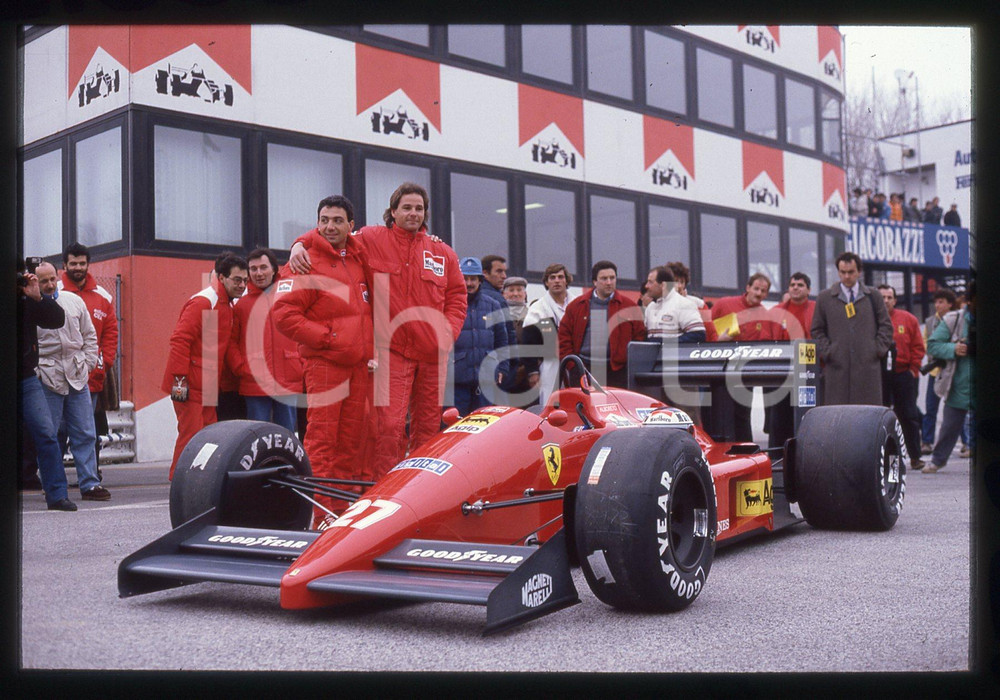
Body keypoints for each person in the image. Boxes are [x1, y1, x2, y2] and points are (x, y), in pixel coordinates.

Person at [288, 182, 466, 479]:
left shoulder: (442, 252)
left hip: (433, 355)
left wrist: (449, 334)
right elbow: (335, 231)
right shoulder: (370, 239)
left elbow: (458, 297)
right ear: (392, 211)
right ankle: (387, 491)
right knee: (389, 428)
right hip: (392, 350)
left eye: (418, 208)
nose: (413, 213)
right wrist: (299, 243)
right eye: (406, 207)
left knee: (427, 428)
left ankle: (421, 492)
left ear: (426, 213)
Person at [272, 196, 375, 526]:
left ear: (351, 225)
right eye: (324, 219)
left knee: (351, 443)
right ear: (316, 223)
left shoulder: (359, 258)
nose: (330, 226)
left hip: (358, 367)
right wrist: (329, 338)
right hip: (325, 365)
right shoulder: (303, 262)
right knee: (322, 441)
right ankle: (319, 514)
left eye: (337, 220)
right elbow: (283, 314)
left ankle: (342, 512)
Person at [161, 251, 248, 479]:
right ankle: (179, 483)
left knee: (208, 437)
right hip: (190, 384)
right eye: (237, 280)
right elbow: (180, 340)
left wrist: (244, 371)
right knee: (191, 436)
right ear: (221, 278)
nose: (242, 285)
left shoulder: (225, 305)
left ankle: (198, 482)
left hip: (207, 384)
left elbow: (223, 346)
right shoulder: (204, 301)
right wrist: (179, 382)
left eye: (245, 281)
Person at [34, 262, 109, 501]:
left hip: (77, 376)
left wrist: (87, 365)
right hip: (48, 377)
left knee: (85, 432)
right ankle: (52, 485)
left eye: (51, 279)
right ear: (36, 282)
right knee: (50, 435)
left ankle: (89, 484)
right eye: (42, 280)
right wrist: (37, 372)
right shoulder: (29, 308)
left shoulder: (74, 301)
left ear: (58, 277)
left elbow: (90, 336)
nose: (48, 285)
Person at [18, 259, 76, 510]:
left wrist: (37, 297)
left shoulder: (26, 298)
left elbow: (56, 319)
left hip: (25, 377)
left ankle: (57, 495)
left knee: (46, 433)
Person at [58, 242, 118, 472]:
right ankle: (55, 479)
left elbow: (111, 332)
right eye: (73, 263)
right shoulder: (56, 292)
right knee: (60, 430)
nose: (78, 267)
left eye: (82, 263)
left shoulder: (102, 296)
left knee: (87, 429)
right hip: (60, 377)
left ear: (88, 264)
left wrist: (104, 362)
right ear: (65, 265)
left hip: (92, 377)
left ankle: (90, 477)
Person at [229, 247, 303, 433]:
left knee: (287, 436)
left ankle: (286, 464)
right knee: (257, 435)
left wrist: (301, 364)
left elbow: (304, 333)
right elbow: (231, 342)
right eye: (253, 269)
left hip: (288, 378)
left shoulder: (290, 298)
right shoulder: (241, 305)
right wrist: (241, 368)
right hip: (254, 381)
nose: (258, 273)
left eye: (263, 267)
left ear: (274, 270)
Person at [810, 252, 893, 405]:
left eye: (851, 272)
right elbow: (816, 330)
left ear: (859, 272)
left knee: (867, 416)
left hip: (867, 370)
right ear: (838, 272)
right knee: (837, 415)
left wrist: (875, 350)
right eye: (843, 272)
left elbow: (886, 327)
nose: (847, 276)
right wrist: (829, 352)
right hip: (836, 370)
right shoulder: (825, 298)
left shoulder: (873, 296)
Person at [709, 272, 783, 442]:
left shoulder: (765, 316)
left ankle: (745, 452)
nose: (758, 293)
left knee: (743, 414)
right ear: (747, 287)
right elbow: (707, 328)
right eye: (756, 288)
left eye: (763, 291)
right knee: (719, 414)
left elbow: (767, 346)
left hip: (745, 373)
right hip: (719, 369)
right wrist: (717, 340)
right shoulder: (724, 304)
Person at [558, 260, 645, 388]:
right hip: (583, 369)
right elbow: (563, 337)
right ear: (594, 281)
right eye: (604, 278)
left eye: (612, 278)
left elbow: (640, 337)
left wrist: (626, 364)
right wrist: (573, 366)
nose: (609, 282)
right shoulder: (576, 306)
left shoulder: (630, 307)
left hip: (617, 372)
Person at [922, 283, 974, 473]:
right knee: (950, 425)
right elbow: (933, 346)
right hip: (958, 384)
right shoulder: (955, 320)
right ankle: (938, 460)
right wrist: (953, 349)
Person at [451, 257, 508, 415]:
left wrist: (502, 368)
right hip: (456, 380)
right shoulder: (448, 304)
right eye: (465, 279)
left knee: (482, 428)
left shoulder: (493, 305)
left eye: (473, 279)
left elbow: (502, 341)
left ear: (480, 280)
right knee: (454, 428)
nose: (469, 283)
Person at [878, 284, 925, 469]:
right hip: (880, 375)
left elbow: (918, 347)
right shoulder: (873, 319)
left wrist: (913, 370)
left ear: (895, 300)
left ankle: (915, 456)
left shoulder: (908, 319)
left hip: (904, 374)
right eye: (882, 297)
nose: (886, 301)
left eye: (889, 297)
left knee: (908, 415)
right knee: (881, 415)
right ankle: (882, 457)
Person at [768, 272, 816, 448]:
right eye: (793, 285)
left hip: (809, 372)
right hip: (782, 371)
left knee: (808, 415)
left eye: (800, 285)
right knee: (779, 417)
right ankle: (777, 454)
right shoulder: (776, 312)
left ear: (809, 290)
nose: (795, 287)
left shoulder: (817, 310)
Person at [523, 263, 575, 404]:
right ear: (546, 282)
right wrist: (532, 371)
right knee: (550, 403)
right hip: (549, 364)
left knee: (577, 399)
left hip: (576, 362)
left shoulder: (577, 304)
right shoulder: (537, 309)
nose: (556, 281)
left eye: (560, 277)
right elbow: (528, 342)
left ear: (566, 280)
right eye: (552, 278)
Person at [921, 288, 962, 455]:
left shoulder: (957, 320)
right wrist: (938, 352)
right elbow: (925, 342)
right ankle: (927, 441)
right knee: (931, 408)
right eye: (936, 302)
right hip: (935, 371)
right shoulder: (930, 322)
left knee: (957, 407)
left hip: (953, 370)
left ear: (950, 304)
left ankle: (966, 442)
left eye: (941, 302)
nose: (937, 305)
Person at [643, 265, 705, 341]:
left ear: (663, 285)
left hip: (677, 353)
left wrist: (665, 345)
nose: (646, 286)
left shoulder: (684, 304)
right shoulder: (650, 308)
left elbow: (698, 335)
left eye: (650, 282)